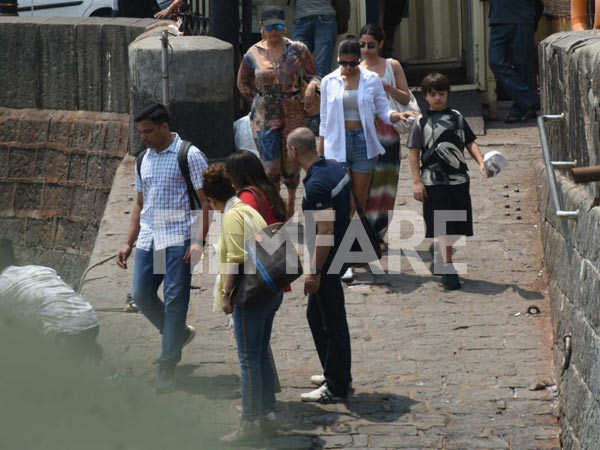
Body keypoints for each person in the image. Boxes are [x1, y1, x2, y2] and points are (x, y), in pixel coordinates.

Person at [116, 103, 210, 393]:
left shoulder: (190, 156)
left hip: (179, 235)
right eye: (141, 131)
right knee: (142, 295)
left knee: (174, 299)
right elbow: (140, 203)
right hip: (149, 237)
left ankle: (167, 363)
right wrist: (128, 241)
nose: (143, 137)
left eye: (148, 131)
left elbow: (205, 203)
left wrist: (198, 241)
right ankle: (177, 334)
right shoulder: (144, 158)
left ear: (164, 127)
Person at [202, 164, 283, 444]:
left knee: (248, 359)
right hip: (269, 292)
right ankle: (267, 413)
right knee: (259, 353)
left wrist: (226, 296)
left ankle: (249, 422)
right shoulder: (248, 209)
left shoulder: (232, 217)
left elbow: (235, 260)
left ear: (211, 199)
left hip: (251, 298)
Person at [287, 127, 353, 403]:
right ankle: (333, 371)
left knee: (332, 320)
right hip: (338, 250)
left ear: (294, 151)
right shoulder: (333, 168)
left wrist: (314, 271)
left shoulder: (316, 185)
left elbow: (324, 231)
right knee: (317, 316)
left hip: (327, 257)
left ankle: (337, 386)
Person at [407, 73, 489, 290]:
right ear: (425, 96)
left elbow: (470, 142)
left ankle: (442, 254)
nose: (438, 98)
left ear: (448, 95)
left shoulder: (457, 117)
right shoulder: (420, 122)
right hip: (433, 181)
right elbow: (414, 153)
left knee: (455, 224)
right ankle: (448, 267)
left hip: (458, 179)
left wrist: (481, 162)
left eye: (442, 94)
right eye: (433, 94)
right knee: (443, 223)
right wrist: (417, 182)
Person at [237, 6, 320, 218]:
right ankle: (274, 208)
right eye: (271, 27)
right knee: (270, 166)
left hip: (293, 106)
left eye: (280, 26)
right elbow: (242, 82)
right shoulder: (253, 53)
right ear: (262, 27)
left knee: (292, 160)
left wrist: (311, 87)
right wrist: (258, 99)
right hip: (266, 109)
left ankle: (291, 203)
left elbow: (314, 75)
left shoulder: (298, 49)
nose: (276, 31)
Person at [0, 239, 101, 362]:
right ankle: (85, 349)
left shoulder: (3, 287)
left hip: (66, 333)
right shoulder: (38, 269)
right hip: (92, 320)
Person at [360, 24, 412, 254]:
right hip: (363, 134)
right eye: (362, 45)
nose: (366, 50)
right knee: (365, 187)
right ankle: (365, 236)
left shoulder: (392, 65)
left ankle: (378, 234)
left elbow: (406, 97)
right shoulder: (355, 68)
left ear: (380, 44)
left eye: (371, 45)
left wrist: (387, 87)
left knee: (386, 186)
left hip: (388, 133)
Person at [488, 0, 540, 123]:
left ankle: (521, 107)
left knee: (523, 65)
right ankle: (530, 101)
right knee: (495, 61)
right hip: (500, 17)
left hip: (522, 16)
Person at [292, 0, 338, 77]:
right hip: (303, 17)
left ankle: (318, 88)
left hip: (323, 15)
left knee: (321, 68)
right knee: (297, 65)